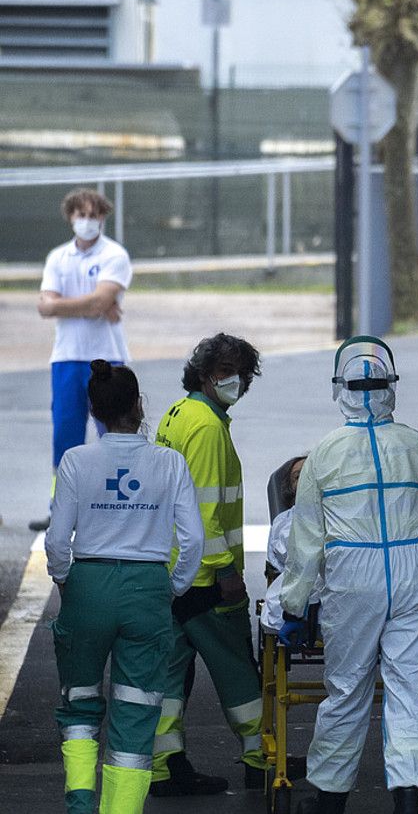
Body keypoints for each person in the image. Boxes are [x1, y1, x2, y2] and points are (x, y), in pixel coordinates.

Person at [279, 336, 418, 814]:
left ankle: (329, 800)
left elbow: (306, 542)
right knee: (410, 690)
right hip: (416, 575)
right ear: (391, 388)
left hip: (354, 579)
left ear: (340, 389)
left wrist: (294, 605)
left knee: (347, 688)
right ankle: (411, 797)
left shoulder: (324, 453)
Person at [46, 361, 204, 814]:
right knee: (137, 713)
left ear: (94, 410)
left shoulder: (76, 461)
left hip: (88, 585)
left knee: (79, 705)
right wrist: (171, 586)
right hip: (147, 588)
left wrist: (64, 578)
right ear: (138, 406)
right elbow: (192, 540)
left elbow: (58, 541)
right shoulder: (169, 462)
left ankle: (80, 805)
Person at [149, 333, 268, 795]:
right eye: (227, 373)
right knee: (237, 665)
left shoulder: (179, 414)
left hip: (172, 573)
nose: (238, 382)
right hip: (204, 577)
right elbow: (204, 510)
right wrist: (225, 572)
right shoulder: (206, 428)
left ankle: (165, 765)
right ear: (205, 374)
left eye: (244, 374)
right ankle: (261, 755)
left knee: (171, 672)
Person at [33, 188, 132, 532]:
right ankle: (59, 507)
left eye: (94, 215)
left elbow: (83, 302)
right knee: (65, 438)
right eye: (81, 215)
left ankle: (119, 506)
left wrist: (67, 303)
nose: (87, 221)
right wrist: (94, 303)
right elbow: (47, 306)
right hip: (66, 358)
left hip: (108, 357)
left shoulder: (115, 254)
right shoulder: (57, 257)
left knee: (115, 434)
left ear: (103, 218)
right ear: (70, 217)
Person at [259, 456, 319, 633]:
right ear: (291, 488)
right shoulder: (284, 522)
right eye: (298, 476)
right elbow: (286, 557)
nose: (306, 479)